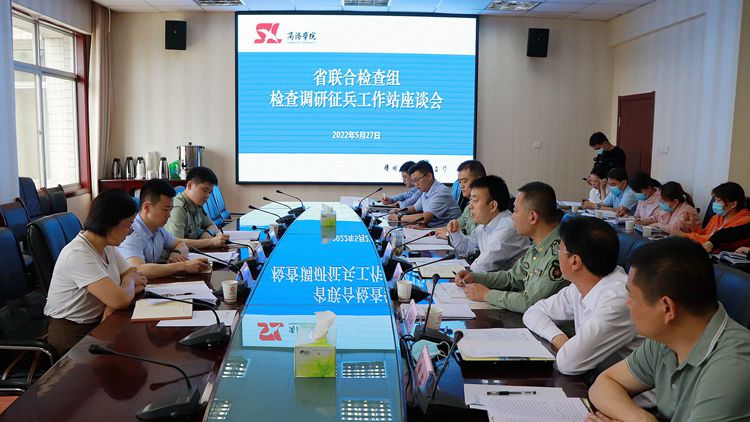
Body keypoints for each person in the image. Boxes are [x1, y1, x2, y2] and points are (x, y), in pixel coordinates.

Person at [586, 237, 750, 422]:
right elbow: (604, 384)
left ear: (667, 309)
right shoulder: (667, 339)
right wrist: (642, 420)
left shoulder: (732, 368)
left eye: (632, 297)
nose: (628, 304)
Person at [523, 217, 642, 379]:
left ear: (575, 262)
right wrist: (559, 338)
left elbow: (568, 363)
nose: (557, 256)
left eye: (559, 250)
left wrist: (567, 349)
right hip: (597, 378)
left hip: (629, 392)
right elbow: (533, 312)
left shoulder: (617, 300)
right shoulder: (583, 284)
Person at [44, 189, 148, 355]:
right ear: (109, 222)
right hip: (72, 334)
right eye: (128, 225)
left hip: (101, 322)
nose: (129, 232)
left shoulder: (107, 247)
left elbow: (134, 274)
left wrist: (113, 301)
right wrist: (125, 286)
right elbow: (121, 298)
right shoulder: (78, 254)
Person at [453, 182, 569, 313]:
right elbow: (512, 278)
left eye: (515, 211)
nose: (512, 217)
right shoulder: (538, 245)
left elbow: (531, 303)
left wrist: (487, 295)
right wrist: (475, 277)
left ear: (532, 217)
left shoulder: (559, 252)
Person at [118, 179, 210, 279]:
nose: (169, 215)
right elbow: (138, 270)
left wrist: (177, 253)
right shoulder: (131, 232)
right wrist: (184, 266)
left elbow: (180, 243)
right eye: (165, 209)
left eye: (170, 209)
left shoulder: (158, 229)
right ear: (147, 207)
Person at [447, 176, 529, 272]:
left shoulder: (508, 226)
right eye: (470, 200)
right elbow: (467, 248)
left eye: (475, 200)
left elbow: (482, 266)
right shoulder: (484, 225)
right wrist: (455, 232)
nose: (470, 206)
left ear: (493, 206)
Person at [165, 166, 229, 248]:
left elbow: (213, 226)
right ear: (190, 185)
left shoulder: (196, 204)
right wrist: (211, 242)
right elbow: (175, 242)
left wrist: (208, 233)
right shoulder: (178, 208)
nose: (207, 196)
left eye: (209, 192)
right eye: (204, 190)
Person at [677, 182, 750, 252]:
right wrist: (693, 226)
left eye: (718, 200)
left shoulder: (745, 220)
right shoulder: (717, 216)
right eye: (715, 200)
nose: (715, 203)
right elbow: (705, 235)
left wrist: (684, 236)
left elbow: (715, 241)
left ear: (733, 204)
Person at [387, 160, 461, 228]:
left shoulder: (441, 192)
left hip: (447, 233)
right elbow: (414, 208)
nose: (416, 184)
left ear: (429, 176)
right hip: (432, 229)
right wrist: (398, 210)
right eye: (413, 181)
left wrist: (399, 217)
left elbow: (424, 218)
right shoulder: (426, 191)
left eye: (417, 180)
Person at [434, 160, 485, 238]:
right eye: (460, 182)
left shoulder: (485, 206)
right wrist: (446, 229)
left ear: (479, 180)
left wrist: (449, 235)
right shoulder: (468, 206)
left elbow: (476, 239)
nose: (461, 186)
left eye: (465, 181)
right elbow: (458, 226)